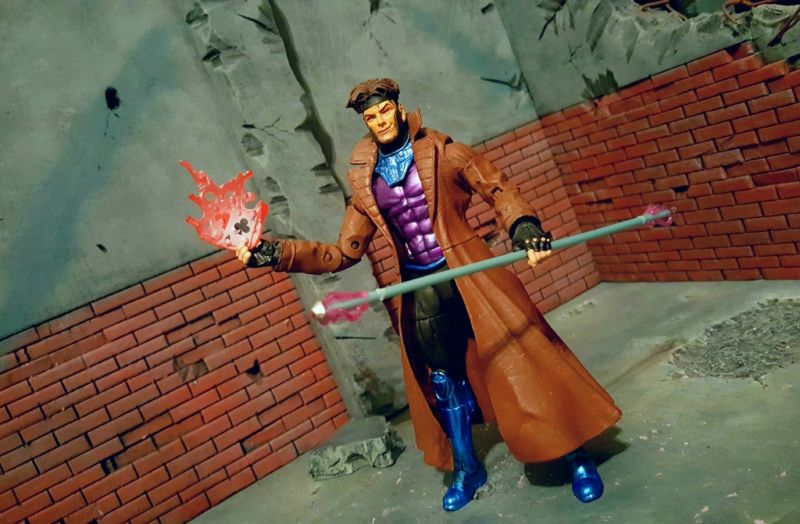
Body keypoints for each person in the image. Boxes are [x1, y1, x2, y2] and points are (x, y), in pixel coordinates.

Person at [237, 78, 621, 512]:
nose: (380, 121)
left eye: (384, 111)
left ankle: (574, 454)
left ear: (399, 110)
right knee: (444, 381)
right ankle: (467, 468)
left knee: (524, 357)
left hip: (471, 274)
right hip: (422, 286)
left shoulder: (442, 151)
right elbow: (342, 252)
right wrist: (277, 252)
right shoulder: (366, 180)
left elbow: (496, 187)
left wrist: (523, 225)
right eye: (370, 117)